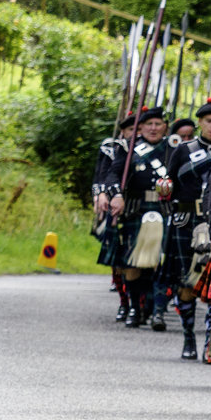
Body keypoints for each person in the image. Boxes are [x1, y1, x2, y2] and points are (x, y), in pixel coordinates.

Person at [163, 100, 211, 358]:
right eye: (209, 121)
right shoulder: (183, 150)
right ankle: (188, 337)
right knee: (185, 281)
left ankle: (210, 340)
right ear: (200, 122)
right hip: (186, 219)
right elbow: (169, 184)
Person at [108, 106, 173, 329]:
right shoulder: (128, 149)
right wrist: (116, 195)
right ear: (141, 127)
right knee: (132, 263)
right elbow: (113, 174)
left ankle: (154, 309)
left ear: (165, 127)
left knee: (160, 263)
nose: (153, 128)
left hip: (165, 210)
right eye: (149, 124)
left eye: (158, 124)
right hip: (135, 210)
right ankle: (135, 306)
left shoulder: (174, 148)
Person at [94, 113, 136, 322]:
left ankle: (141, 305)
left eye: (138, 130)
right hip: (116, 210)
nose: (135, 134)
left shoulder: (155, 149)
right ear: (123, 131)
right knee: (118, 260)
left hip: (141, 211)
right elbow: (102, 174)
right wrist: (102, 194)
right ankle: (124, 301)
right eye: (131, 130)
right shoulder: (113, 149)